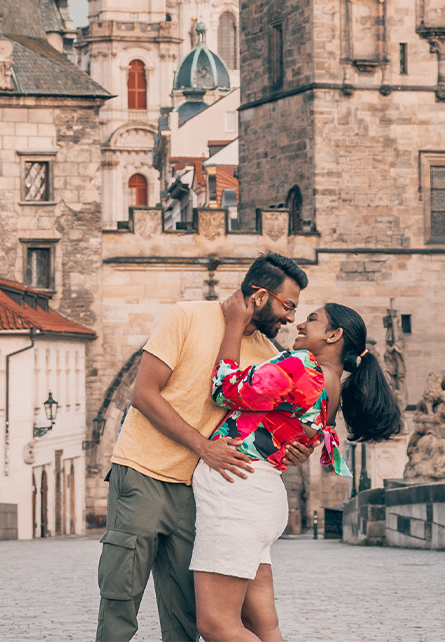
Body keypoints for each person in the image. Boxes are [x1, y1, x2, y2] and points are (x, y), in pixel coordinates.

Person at [96, 253, 313, 642]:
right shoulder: (188, 316)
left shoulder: (271, 356)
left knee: (185, 615)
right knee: (120, 599)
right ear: (260, 296)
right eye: (288, 306)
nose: (291, 319)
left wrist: (297, 450)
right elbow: (143, 394)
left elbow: (274, 427)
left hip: (201, 493)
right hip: (143, 473)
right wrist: (203, 446)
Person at [191, 296, 402, 642]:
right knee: (264, 626)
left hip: (237, 493)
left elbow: (225, 389)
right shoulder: (332, 386)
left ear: (334, 335)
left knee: (215, 624)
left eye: (313, 319)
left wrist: (232, 324)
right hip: (260, 496)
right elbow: (300, 437)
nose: (301, 324)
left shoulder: (303, 365)